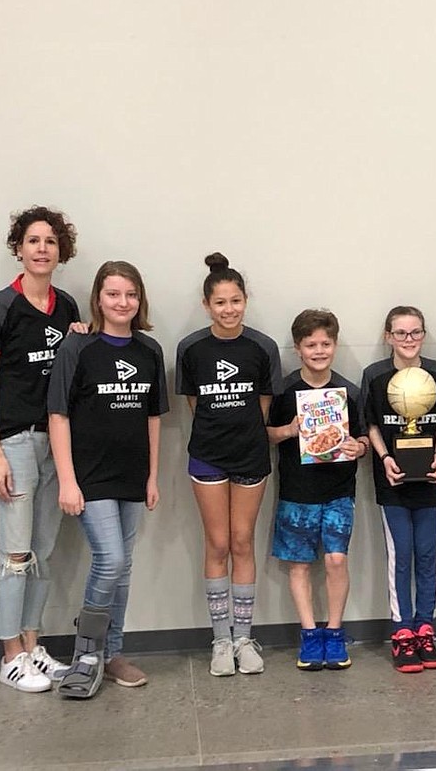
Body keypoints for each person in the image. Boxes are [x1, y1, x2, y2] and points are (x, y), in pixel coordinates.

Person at [48, 261, 168, 698]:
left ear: (140, 300)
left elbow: (153, 417)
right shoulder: (77, 347)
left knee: (124, 567)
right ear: (98, 297)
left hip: (132, 476)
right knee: (110, 561)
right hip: (90, 476)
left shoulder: (149, 351)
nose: (123, 303)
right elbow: (58, 414)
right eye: (114, 294)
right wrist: (67, 480)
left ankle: (112, 653)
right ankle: (86, 654)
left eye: (131, 295)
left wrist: (152, 476)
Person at [0, 205, 80, 692]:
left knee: (42, 551)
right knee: (15, 555)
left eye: (50, 242)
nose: (42, 249)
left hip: (56, 442)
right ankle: (10, 653)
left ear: (61, 252)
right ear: (19, 248)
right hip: (15, 441)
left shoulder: (68, 308)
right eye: (33, 241)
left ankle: (34, 645)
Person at [176, 253, 281, 676]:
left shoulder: (262, 347)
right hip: (207, 456)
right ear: (207, 305)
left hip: (250, 455)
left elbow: (262, 408)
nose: (229, 309)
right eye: (220, 302)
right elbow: (194, 405)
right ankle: (220, 639)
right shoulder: (191, 348)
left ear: (245, 300)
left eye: (235, 300)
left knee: (242, 542)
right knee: (217, 544)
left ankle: (244, 637)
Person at [360, 307, 436, 673]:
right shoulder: (375, 376)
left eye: (415, 333)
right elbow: (370, 424)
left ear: (423, 335)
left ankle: (425, 627)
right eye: (400, 333)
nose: (408, 340)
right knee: (400, 554)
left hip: (429, 482)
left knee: (427, 555)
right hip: (394, 483)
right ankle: (402, 631)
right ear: (388, 336)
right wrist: (385, 457)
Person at [268, 309, 368, 671]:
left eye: (326, 343)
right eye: (311, 345)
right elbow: (266, 433)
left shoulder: (349, 391)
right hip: (297, 491)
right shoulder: (283, 390)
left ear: (335, 345)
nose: (319, 350)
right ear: (298, 348)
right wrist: (288, 431)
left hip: (340, 490)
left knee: (336, 560)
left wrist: (361, 447)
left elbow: (362, 436)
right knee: (300, 565)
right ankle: (310, 634)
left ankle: (335, 631)